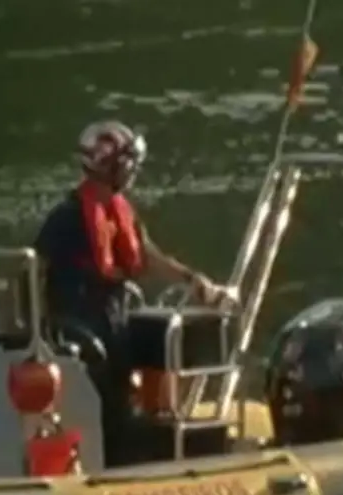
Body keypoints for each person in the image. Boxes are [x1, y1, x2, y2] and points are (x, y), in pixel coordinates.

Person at [32, 120, 235, 465]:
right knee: (107, 390)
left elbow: (147, 254)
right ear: (109, 165)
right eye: (127, 164)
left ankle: (164, 426)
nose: (132, 172)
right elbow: (35, 271)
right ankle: (112, 452)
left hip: (114, 320)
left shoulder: (118, 210)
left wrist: (192, 280)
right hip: (80, 327)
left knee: (162, 337)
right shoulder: (66, 219)